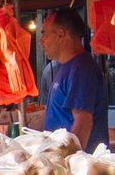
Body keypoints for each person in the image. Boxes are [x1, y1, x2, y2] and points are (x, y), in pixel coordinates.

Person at [38, 9, 110, 150]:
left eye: (44, 33)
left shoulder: (82, 68)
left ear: (60, 34)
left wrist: (70, 160)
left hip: (79, 166)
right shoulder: (67, 66)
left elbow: (83, 121)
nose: (41, 40)